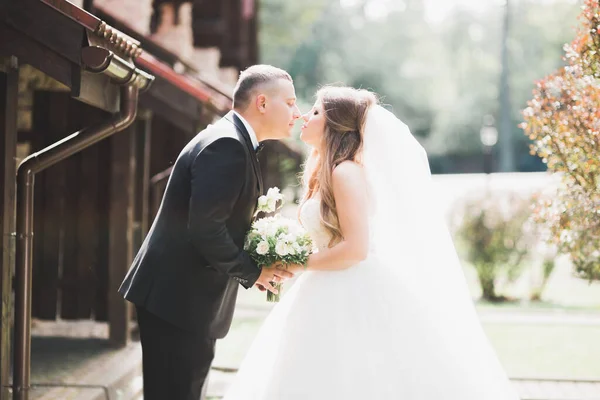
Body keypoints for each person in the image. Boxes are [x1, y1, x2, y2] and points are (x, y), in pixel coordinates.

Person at [222, 86, 521, 400]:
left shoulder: (345, 172)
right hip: (323, 286)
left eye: (315, 112)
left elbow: (355, 250)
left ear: (335, 125)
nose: (304, 118)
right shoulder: (323, 172)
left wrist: (295, 263)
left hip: (355, 288)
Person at [118, 65, 302, 400]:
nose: (297, 112)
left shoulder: (231, 139)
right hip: (179, 299)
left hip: (181, 297)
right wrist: (253, 270)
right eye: (290, 103)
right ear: (262, 103)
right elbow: (206, 230)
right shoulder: (227, 146)